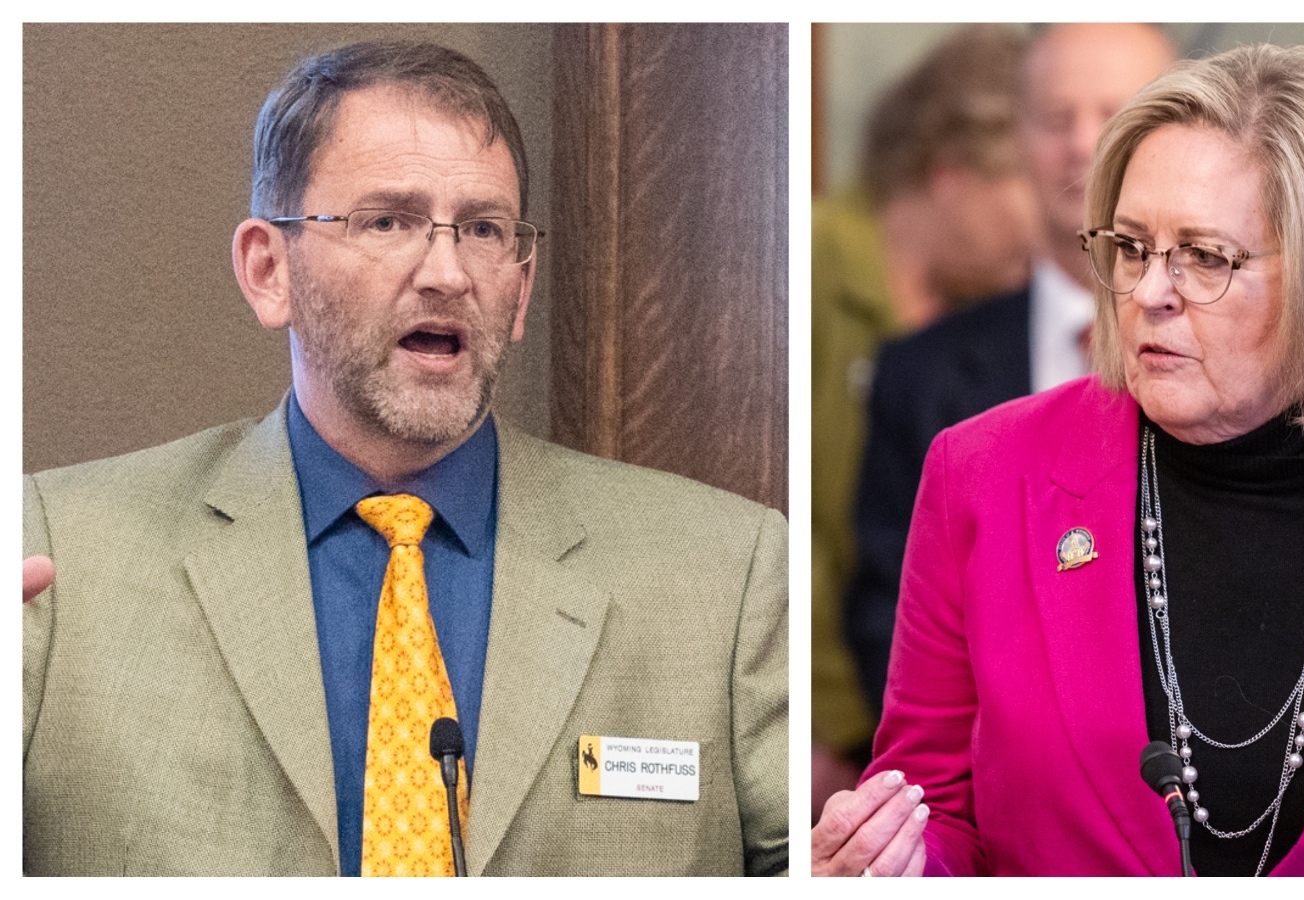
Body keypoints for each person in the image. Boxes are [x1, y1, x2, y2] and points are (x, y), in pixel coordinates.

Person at [23, 41, 787, 877]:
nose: (449, 272)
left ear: (522, 290)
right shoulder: (59, 561)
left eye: (485, 229)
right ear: (267, 269)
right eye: (388, 220)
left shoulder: (726, 575)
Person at [812, 43, 1304, 876]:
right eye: (1132, 247)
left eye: (1205, 257)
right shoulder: (984, 478)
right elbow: (937, 810)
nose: (1148, 292)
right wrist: (890, 863)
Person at [847, 23, 1176, 717]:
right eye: (1056, 119)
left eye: (1115, 116)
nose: (1083, 145)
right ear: (1018, 141)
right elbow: (886, 611)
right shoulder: (920, 374)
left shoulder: (1242, 363)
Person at [811, 24, 1038, 817]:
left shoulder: (997, 325)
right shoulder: (804, 263)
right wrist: (829, 736)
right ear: (953, 175)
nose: (1050, 229)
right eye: (1030, 190)